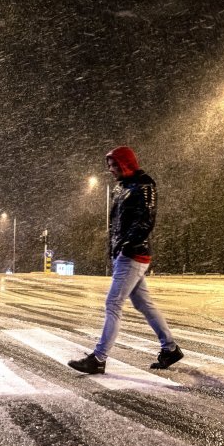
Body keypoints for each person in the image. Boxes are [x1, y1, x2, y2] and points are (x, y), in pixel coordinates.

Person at [68, 146, 183, 375]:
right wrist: (114, 249)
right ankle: (170, 348)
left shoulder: (144, 185)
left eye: (114, 165)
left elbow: (146, 219)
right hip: (124, 253)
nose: (110, 170)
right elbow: (116, 225)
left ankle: (99, 358)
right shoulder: (121, 188)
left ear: (125, 163)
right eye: (109, 165)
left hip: (134, 254)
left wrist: (128, 245)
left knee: (113, 304)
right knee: (143, 304)